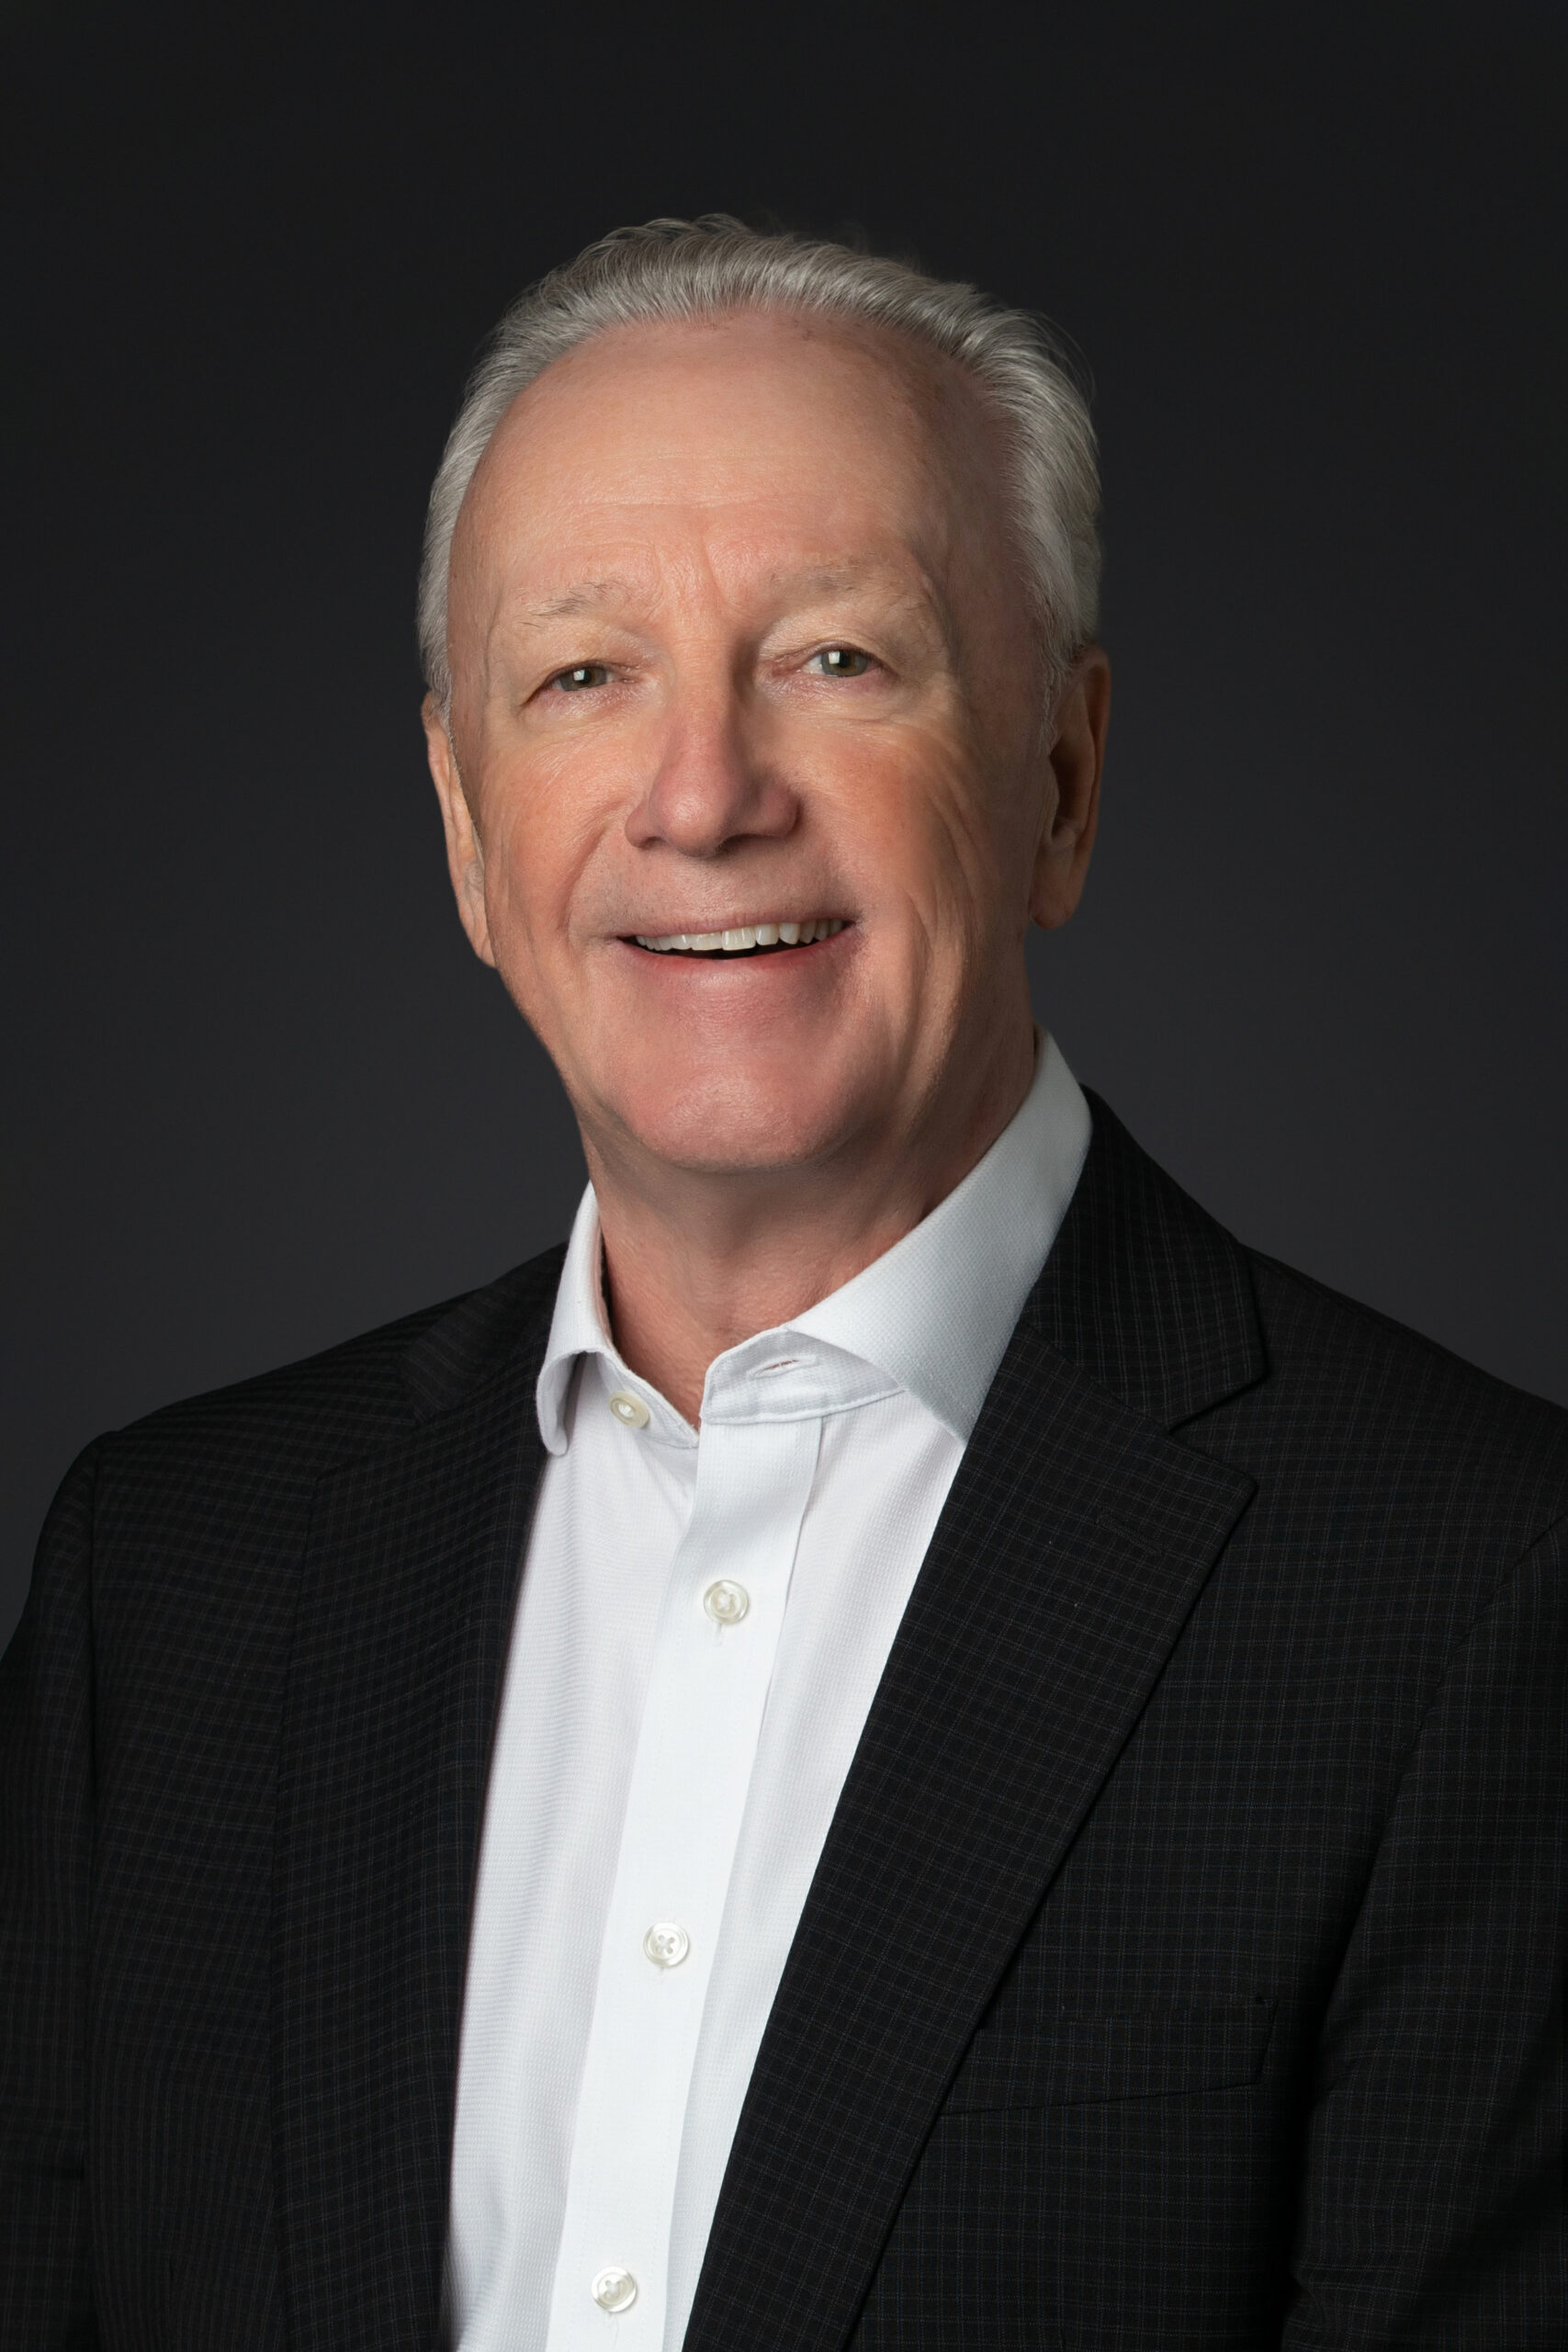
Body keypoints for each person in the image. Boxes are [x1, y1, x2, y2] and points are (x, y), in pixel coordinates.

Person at [2, 216, 1562, 2352]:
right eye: (581, 674)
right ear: (466, 832)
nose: (703, 795)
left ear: (1060, 778)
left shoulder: (1475, 1594)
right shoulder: (163, 1580)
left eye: (838, 657)